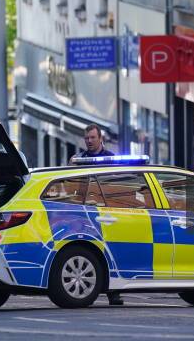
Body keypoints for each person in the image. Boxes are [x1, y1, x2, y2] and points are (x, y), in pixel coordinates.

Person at [68, 124, 123, 306]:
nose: (89, 141)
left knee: (112, 250)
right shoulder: (78, 160)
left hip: (108, 211)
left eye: (92, 138)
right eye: (87, 138)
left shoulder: (112, 159)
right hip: (83, 211)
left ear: (101, 138)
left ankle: (114, 293)